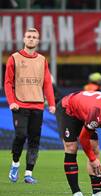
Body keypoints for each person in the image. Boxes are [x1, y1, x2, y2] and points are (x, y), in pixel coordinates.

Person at [4, 28, 55, 184]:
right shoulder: (14, 58)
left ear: (38, 41)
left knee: (34, 140)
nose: (31, 39)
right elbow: (8, 82)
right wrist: (11, 101)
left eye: (34, 37)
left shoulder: (42, 60)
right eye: (29, 37)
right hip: (19, 105)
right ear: (24, 39)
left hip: (38, 105)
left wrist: (51, 103)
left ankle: (28, 174)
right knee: (20, 136)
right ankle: (15, 164)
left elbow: (47, 83)